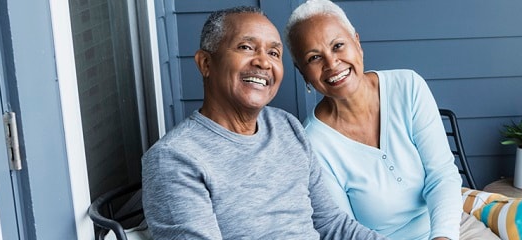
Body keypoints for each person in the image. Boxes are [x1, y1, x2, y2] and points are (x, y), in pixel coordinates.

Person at [141, 6, 385, 239]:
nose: (263, 62)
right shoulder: (174, 159)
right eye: (246, 47)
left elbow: (331, 225)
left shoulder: (286, 127)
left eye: (274, 53)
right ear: (206, 63)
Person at [285, 1, 499, 239]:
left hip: (450, 228)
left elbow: (442, 174)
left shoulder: (408, 87)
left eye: (338, 46)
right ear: (302, 71)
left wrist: (443, 236)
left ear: (357, 42)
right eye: (314, 57)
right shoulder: (314, 143)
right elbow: (343, 228)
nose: (332, 63)